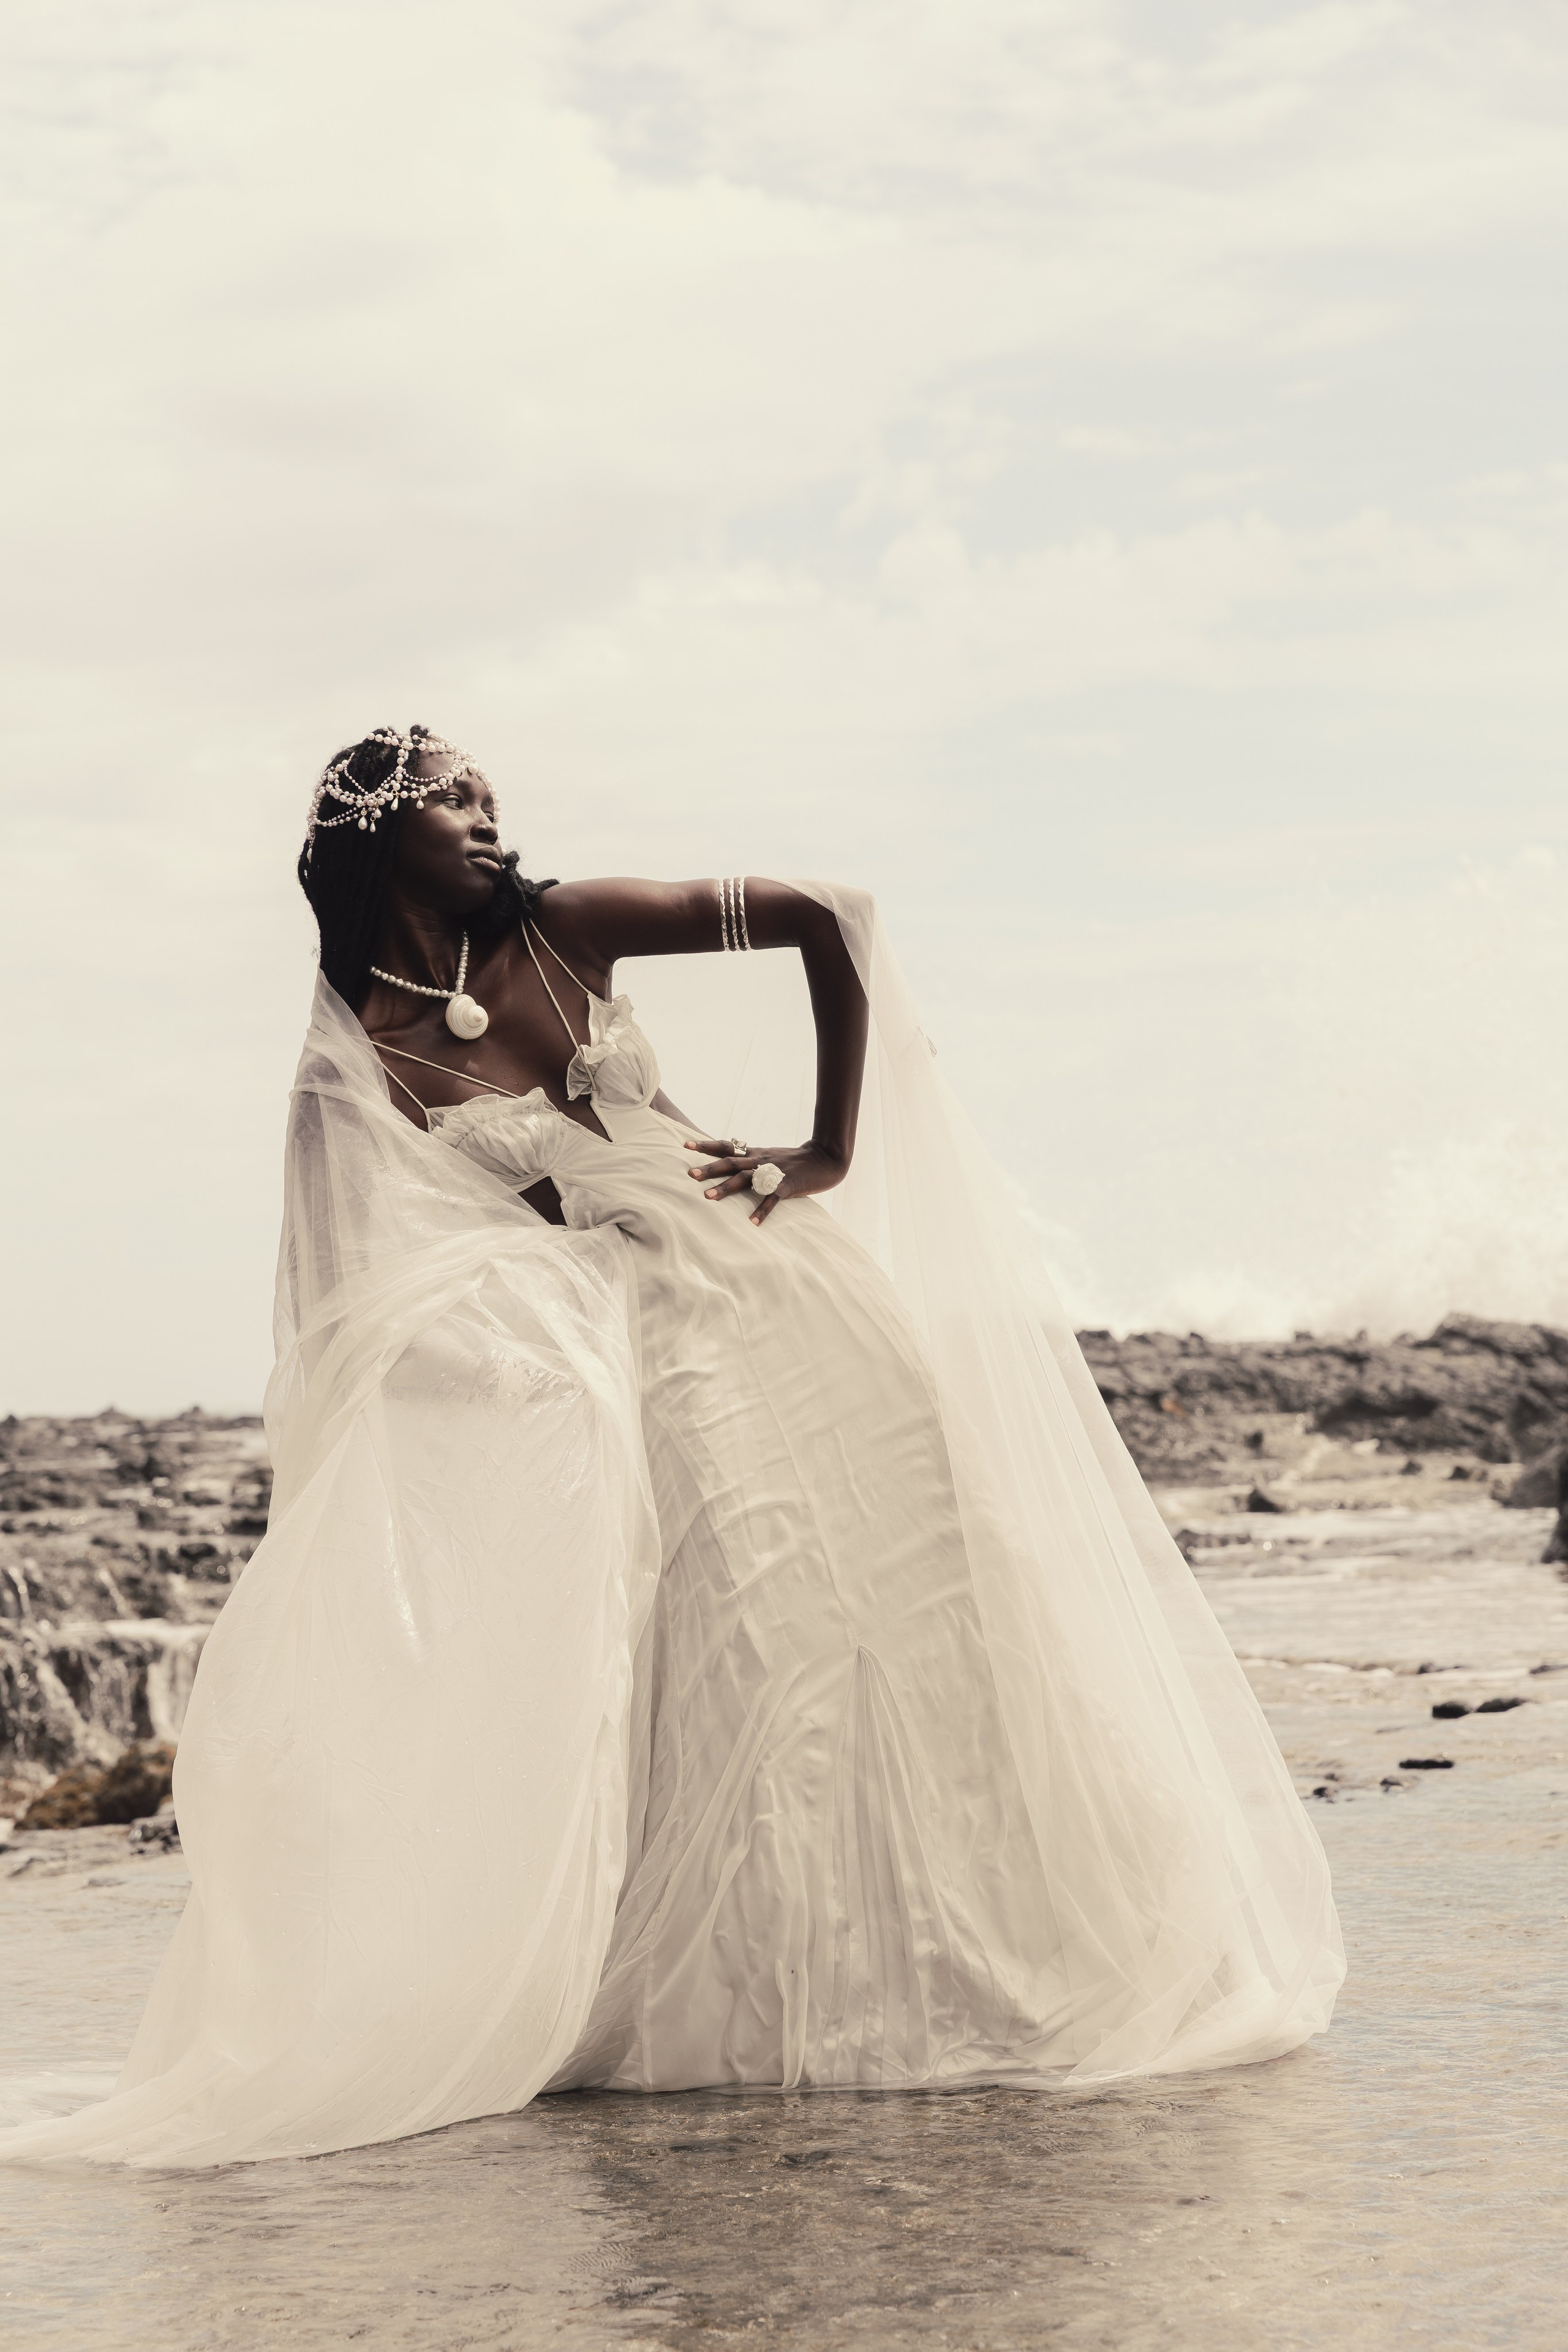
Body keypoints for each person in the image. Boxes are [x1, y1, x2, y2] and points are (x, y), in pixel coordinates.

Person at [0, 726, 1341, 2168]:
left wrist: (827, 1146)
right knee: (745, 1648)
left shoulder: (572, 930)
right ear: (370, 834)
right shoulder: (356, 1056)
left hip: (784, 1291)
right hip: (632, 1344)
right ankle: (761, 1994)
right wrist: (506, 1338)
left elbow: (835, 917)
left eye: (491, 795)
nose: (486, 818)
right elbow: (344, 1296)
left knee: (934, 1607)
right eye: (453, 798)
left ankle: (996, 1954)